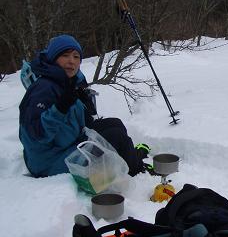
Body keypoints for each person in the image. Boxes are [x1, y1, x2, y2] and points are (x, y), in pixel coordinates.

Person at [19, 34, 148, 177]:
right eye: (65, 56)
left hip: (68, 144)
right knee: (116, 137)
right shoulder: (43, 88)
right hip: (50, 161)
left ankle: (128, 159)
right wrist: (60, 108)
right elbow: (37, 135)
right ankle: (137, 172)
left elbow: (77, 122)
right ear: (53, 58)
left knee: (115, 123)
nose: (71, 61)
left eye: (76, 57)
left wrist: (84, 107)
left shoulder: (65, 82)